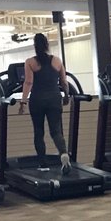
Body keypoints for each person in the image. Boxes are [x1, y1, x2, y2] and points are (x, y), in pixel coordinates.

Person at [19, 33, 71, 174]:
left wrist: (23, 101)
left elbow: (28, 82)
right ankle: (63, 153)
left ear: (35, 46)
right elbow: (64, 82)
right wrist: (66, 96)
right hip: (54, 98)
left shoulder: (30, 62)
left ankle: (43, 164)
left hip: (37, 99)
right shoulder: (57, 61)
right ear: (47, 45)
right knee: (56, 131)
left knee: (39, 132)